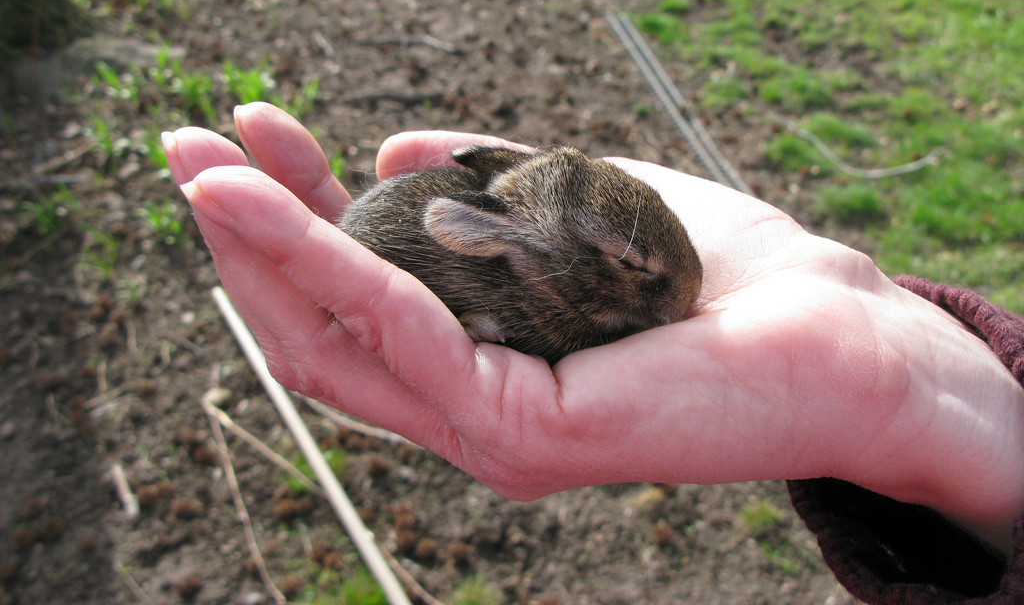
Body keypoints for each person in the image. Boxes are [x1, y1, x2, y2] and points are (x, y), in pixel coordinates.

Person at [164, 102, 1024, 605]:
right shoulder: (519, 280)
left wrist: (905, 376)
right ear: (509, 245)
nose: (676, 286)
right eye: (631, 268)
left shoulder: (581, 267)